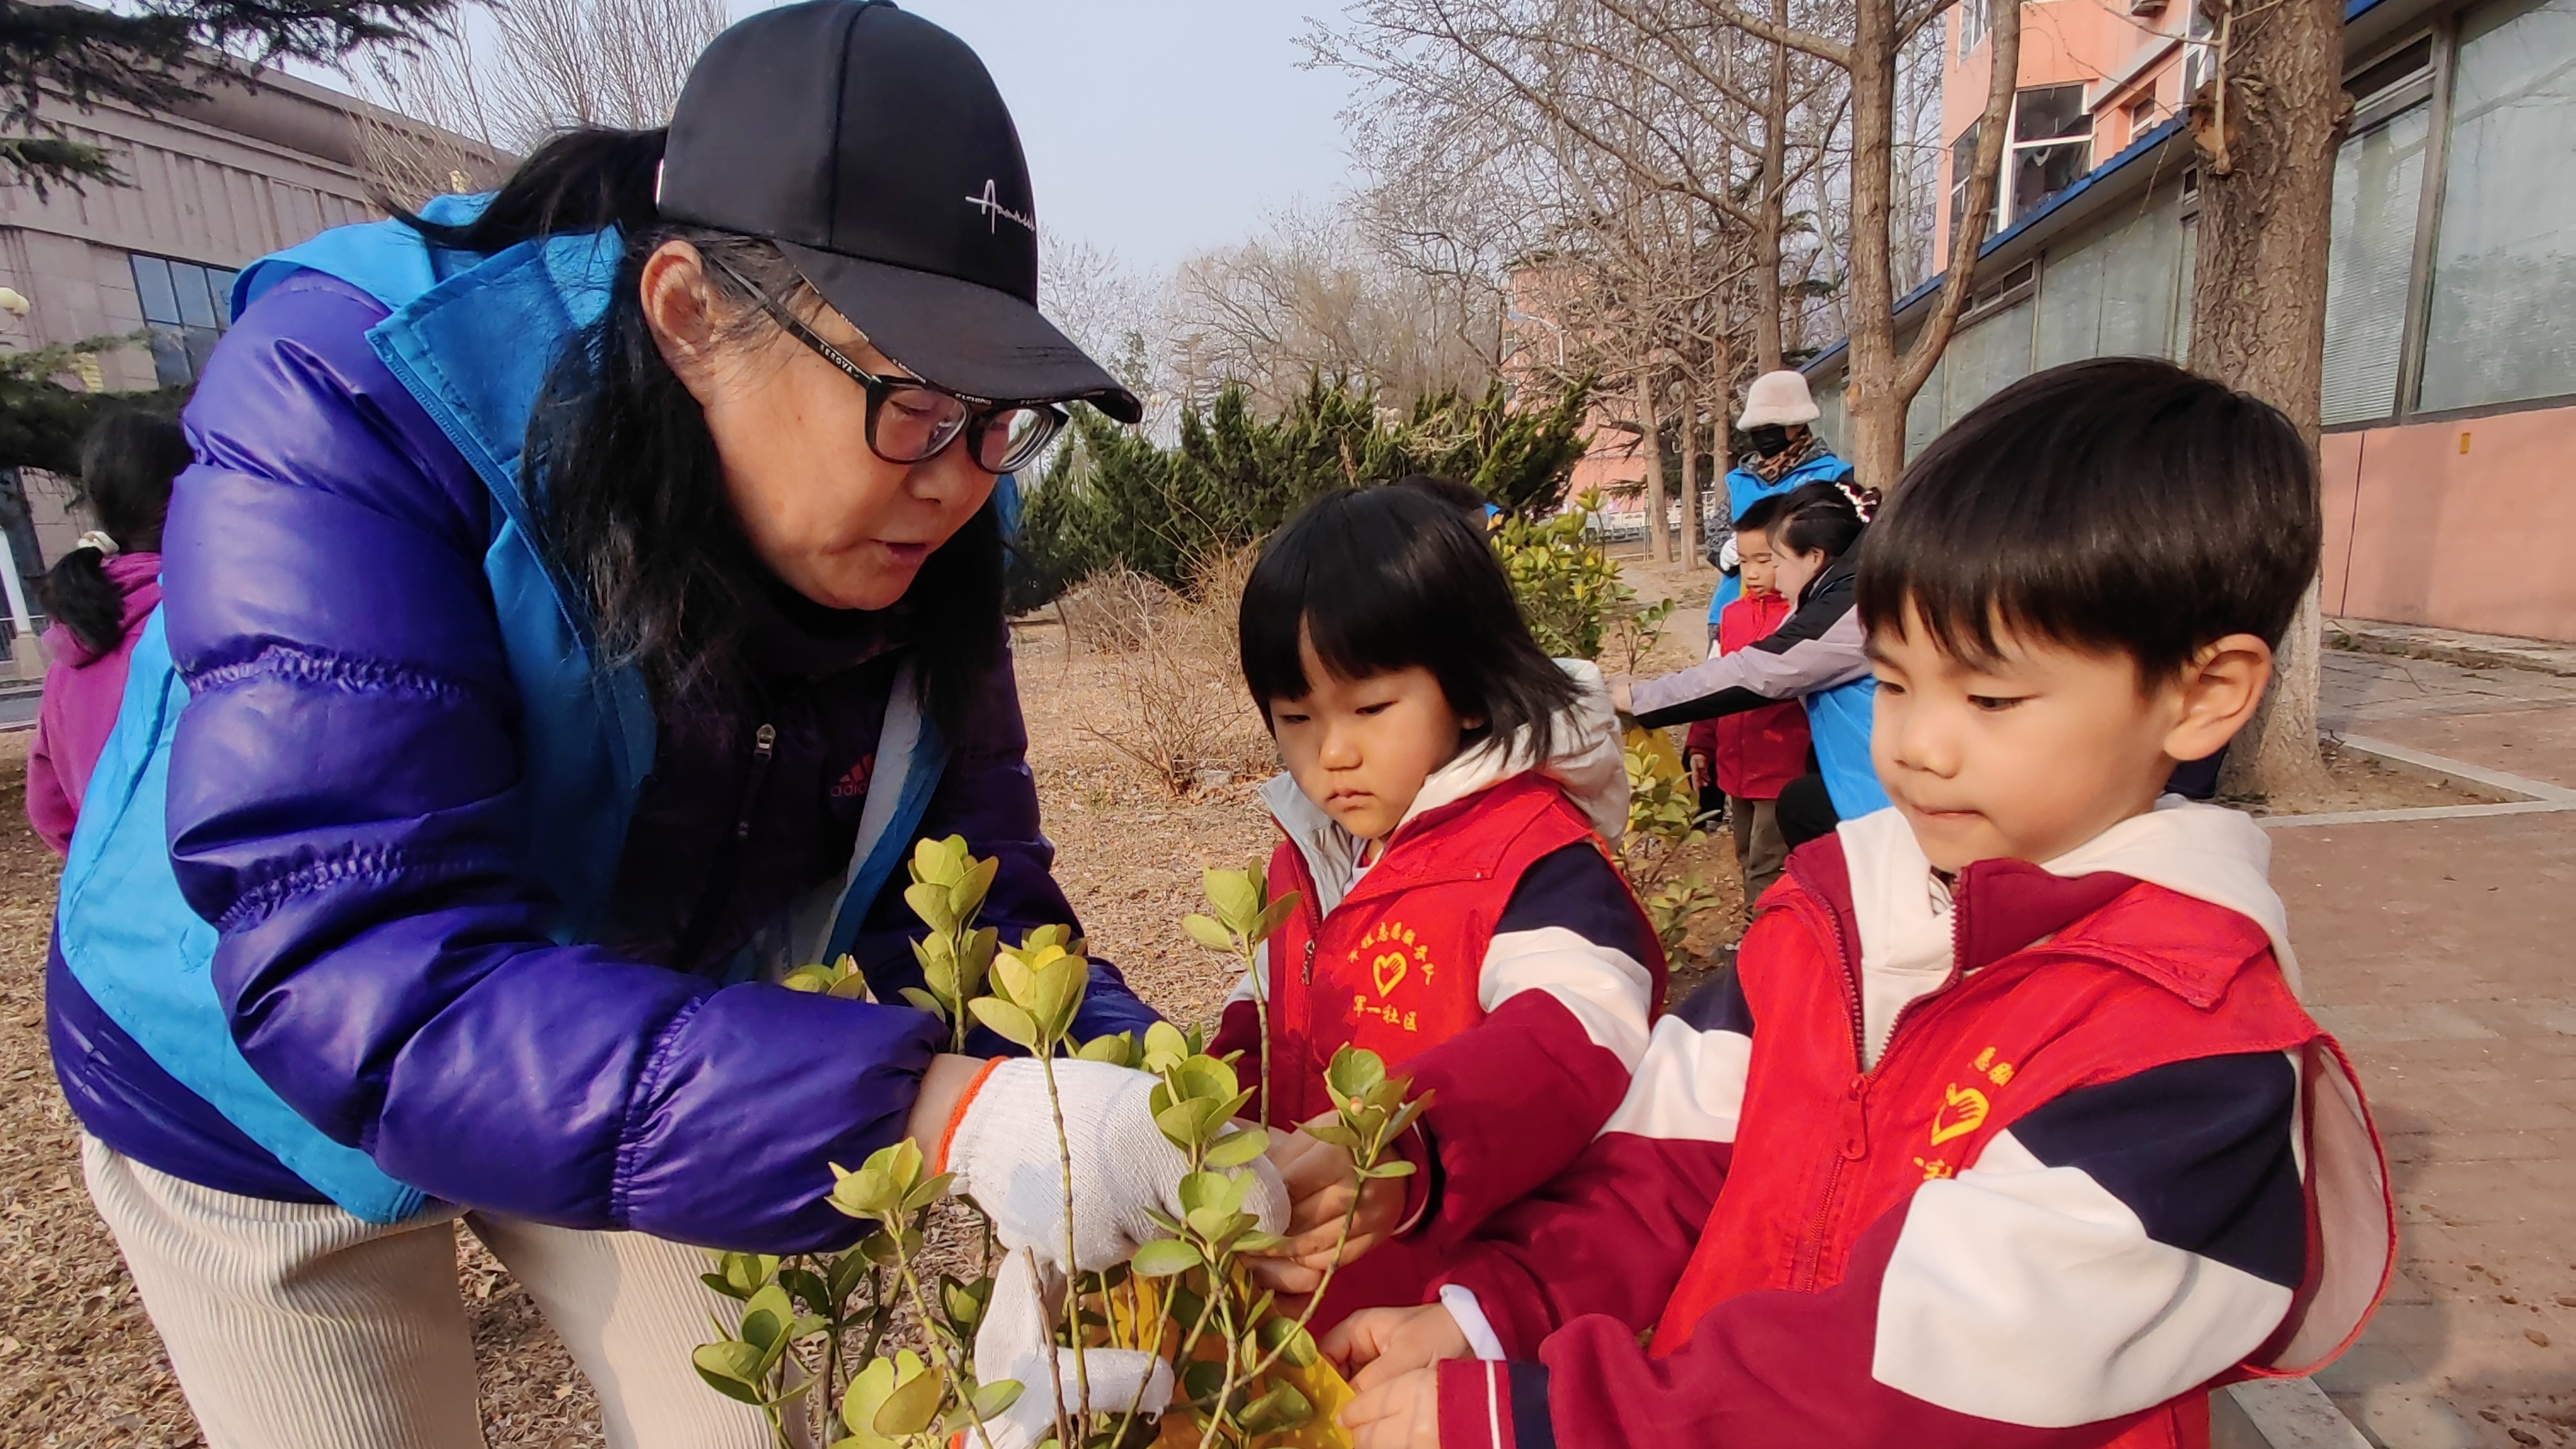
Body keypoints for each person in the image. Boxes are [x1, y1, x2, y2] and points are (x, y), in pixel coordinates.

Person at [45, 7, 1280, 1448]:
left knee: (748, 1425)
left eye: (1001, 413)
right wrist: (938, 1115)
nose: (962, 477)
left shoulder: (930, 499)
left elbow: (973, 899)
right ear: (690, 310)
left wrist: (1172, 1123)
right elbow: (359, 969)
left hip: (628, 1019)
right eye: (920, 400)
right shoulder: (359, 390)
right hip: (260, 1074)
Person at [1322, 358, 2395, 1449]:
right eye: (1891, 681)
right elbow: (1658, 1167)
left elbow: (1920, 1373)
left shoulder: (2196, 1052)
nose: (1916, 747)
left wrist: (1554, 1417)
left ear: (2201, 694)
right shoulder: (1831, 917)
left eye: (1988, 695)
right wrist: (1488, 1315)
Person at [1215, 487, 1665, 1330]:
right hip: (1307, 1295)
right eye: (1296, 718)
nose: (1333, 752)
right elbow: (1265, 1005)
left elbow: (1575, 1037)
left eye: (1371, 709)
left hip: (1450, 1316)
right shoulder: (1308, 852)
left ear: (1465, 689)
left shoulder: (1533, 860)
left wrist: (1411, 1143)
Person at [1621, 480, 1881, 850]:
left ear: (1814, 558)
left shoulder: (1850, 608)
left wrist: (1636, 698)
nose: (1765, 574)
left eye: (1775, 561)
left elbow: (1756, 673)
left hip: (1877, 801)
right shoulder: (1849, 590)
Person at [26, 412, 188, 853]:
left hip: (114, 902)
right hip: (208, 900)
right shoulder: (199, 624)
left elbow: (49, 807)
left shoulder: (73, 642)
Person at [1679, 494, 1809, 923]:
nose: (1753, 573)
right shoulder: (1732, 618)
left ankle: (1764, 944)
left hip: (1780, 767)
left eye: (1765, 560)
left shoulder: (1801, 620)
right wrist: (1701, 745)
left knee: (1767, 862)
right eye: (1746, 561)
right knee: (1745, 852)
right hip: (1738, 767)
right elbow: (1713, 684)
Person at [1704, 369, 1853, 635]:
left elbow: (1843, 547)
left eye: (1770, 428)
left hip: (1802, 612)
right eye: (1756, 430)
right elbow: (1716, 532)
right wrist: (1724, 549)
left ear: (1797, 425)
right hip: (1737, 609)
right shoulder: (1739, 480)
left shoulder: (1832, 475)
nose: (1762, 436)